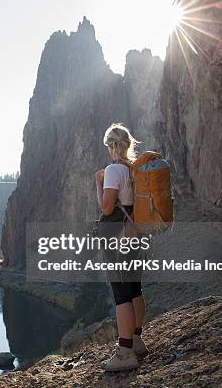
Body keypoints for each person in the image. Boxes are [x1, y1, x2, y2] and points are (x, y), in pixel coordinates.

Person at [95, 123, 148, 372]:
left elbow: (106, 208)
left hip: (116, 236)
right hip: (134, 233)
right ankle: (136, 339)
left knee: (121, 294)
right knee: (134, 287)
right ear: (127, 144)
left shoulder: (114, 170)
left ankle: (125, 351)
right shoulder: (134, 169)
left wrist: (99, 184)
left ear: (110, 146)